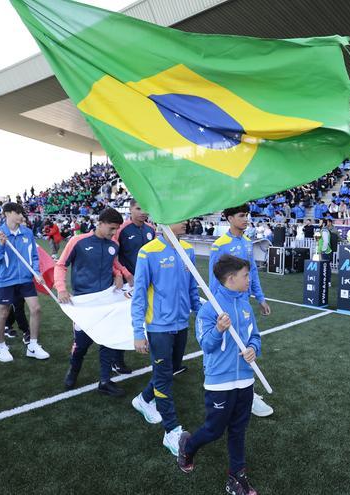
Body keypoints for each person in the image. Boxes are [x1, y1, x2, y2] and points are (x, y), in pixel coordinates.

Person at [177, 255, 262, 494]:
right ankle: (188, 446)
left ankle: (236, 477)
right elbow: (206, 345)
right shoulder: (209, 310)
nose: (249, 279)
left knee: (238, 430)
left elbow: (255, 336)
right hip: (220, 383)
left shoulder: (245, 305)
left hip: (245, 379)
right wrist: (218, 329)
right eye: (246, 275)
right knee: (214, 430)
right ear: (231, 278)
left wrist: (253, 349)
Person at [131, 221, 201, 456]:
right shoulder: (148, 252)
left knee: (170, 370)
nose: (186, 221)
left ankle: (143, 399)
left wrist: (200, 312)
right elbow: (139, 293)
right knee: (163, 378)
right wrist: (138, 332)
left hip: (182, 323)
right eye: (180, 218)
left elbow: (192, 287)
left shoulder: (188, 249)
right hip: (159, 326)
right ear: (165, 221)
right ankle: (171, 431)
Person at [208, 204, 274, 417]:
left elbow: (252, 273)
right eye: (241, 215)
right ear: (229, 218)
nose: (246, 219)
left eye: (247, 215)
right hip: (226, 308)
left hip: (244, 306)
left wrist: (260, 298)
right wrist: (216, 309)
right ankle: (237, 393)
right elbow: (213, 280)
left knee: (247, 346)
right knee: (230, 349)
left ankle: (247, 393)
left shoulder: (247, 242)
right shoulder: (219, 245)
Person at [57, 208, 129, 396]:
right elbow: (61, 265)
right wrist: (61, 288)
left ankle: (105, 381)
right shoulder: (78, 241)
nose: (114, 233)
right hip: (84, 304)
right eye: (112, 228)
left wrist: (119, 274)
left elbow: (113, 263)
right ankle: (73, 370)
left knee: (107, 341)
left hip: (106, 301)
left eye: (116, 229)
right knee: (81, 343)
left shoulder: (113, 244)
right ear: (100, 223)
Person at [0, 202, 50, 363]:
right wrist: (1, 245)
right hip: (5, 279)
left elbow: (34, 256)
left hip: (25, 279)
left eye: (22, 213)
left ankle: (33, 345)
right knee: (3, 313)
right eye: (18, 212)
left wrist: (36, 272)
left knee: (36, 309)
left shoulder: (27, 232)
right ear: (7, 213)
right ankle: (1, 347)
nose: (21, 216)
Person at [114, 199, 156, 375]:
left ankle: (157, 354)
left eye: (145, 208)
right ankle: (116, 360)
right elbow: (113, 255)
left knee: (150, 314)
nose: (142, 212)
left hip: (148, 282)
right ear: (130, 209)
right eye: (138, 208)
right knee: (123, 320)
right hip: (128, 284)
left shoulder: (151, 229)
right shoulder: (122, 229)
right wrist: (122, 274)